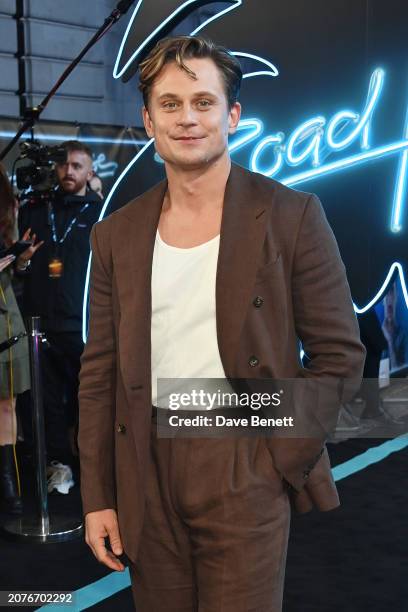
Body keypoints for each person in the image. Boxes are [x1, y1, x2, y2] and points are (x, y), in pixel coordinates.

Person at [78, 36, 366, 611]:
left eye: (204, 102)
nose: (188, 118)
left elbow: (339, 356)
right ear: (148, 119)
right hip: (144, 466)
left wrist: (276, 457)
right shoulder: (116, 233)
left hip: (244, 455)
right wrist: (98, 497)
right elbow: (99, 372)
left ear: (232, 116)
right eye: (170, 104)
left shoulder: (291, 215)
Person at [19, 141, 103, 491]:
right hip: (40, 322)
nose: (69, 171)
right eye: (64, 165)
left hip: (82, 324)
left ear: (90, 172)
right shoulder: (36, 211)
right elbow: (19, 264)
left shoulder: (101, 213)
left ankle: (92, 469)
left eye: (77, 166)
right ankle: (59, 465)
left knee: (89, 398)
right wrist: (22, 262)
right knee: (47, 400)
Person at [0, 164, 42, 514]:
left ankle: (10, 488)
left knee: (7, 405)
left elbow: (17, 276)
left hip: (6, 318)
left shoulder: (8, 208)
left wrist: (21, 259)